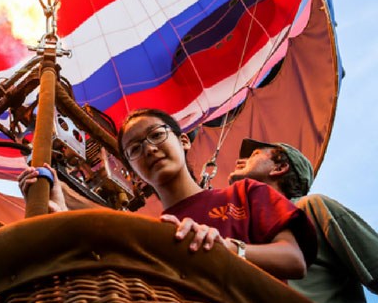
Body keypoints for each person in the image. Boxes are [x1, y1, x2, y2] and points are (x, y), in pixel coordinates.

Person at [19, 108, 316, 280]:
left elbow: (293, 260)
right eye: (134, 149)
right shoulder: (153, 234)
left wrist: (230, 250)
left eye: (157, 135)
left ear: (183, 140)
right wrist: (57, 215)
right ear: (133, 172)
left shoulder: (246, 194)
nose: (148, 149)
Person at [229, 138, 378, 303]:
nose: (240, 161)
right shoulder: (242, 235)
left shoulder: (312, 208)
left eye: (254, 155)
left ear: (279, 168)